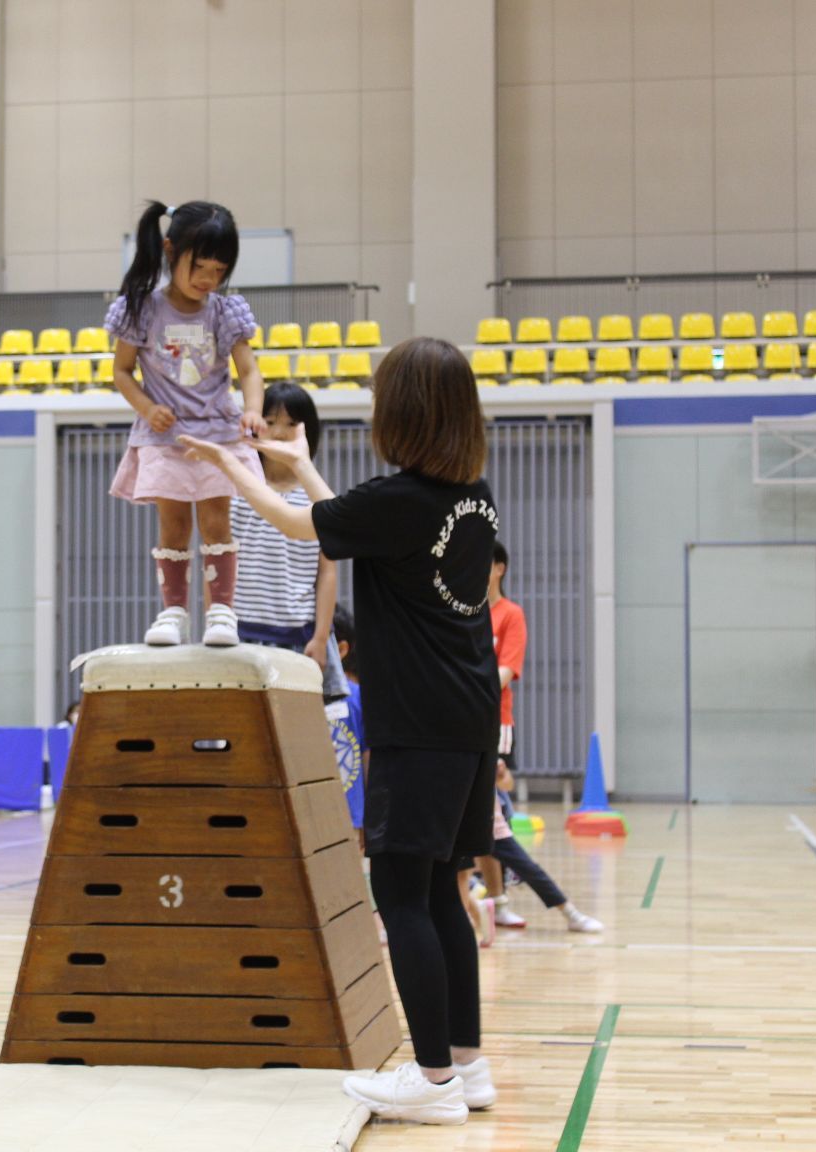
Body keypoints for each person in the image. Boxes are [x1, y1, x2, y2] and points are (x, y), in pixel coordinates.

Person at [181, 336, 500, 1125]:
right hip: (467, 718)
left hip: (417, 724)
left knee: (400, 893)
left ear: (406, 413)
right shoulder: (470, 496)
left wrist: (233, 469)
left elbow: (301, 527)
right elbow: (342, 516)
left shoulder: (398, 502)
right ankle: (465, 1063)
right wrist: (293, 458)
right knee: (441, 889)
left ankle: (429, 1083)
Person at [106, 199, 264, 648]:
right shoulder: (142, 309)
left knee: (217, 521)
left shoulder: (223, 311)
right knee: (173, 526)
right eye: (200, 267)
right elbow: (121, 371)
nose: (208, 280)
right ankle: (173, 611)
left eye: (219, 270)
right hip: (164, 437)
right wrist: (145, 407)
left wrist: (252, 409)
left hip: (216, 433)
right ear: (171, 250)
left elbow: (249, 369)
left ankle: (221, 612)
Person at [478, 542, 602, 934]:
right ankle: (496, 901)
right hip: (460, 726)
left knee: (492, 825)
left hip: (493, 725)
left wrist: (467, 691)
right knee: (486, 829)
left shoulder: (510, 614)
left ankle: (528, 902)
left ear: (499, 568)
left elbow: (506, 670)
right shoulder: (465, 614)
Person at [231, 382, 348, 701]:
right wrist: (220, 624)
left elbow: (327, 572)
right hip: (243, 631)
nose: (279, 432)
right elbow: (217, 563)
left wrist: (321, 636)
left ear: (309, 431)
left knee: (303, 733)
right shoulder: (239, 491)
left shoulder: (316, 494)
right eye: (270, 422)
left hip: (301, 633)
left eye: (291, 423)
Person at [328, 605, 364, 829]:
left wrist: (369, 817)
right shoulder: (294, 696)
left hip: (350, 818)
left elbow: (368, 755)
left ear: (341, 650)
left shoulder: (357, 698)